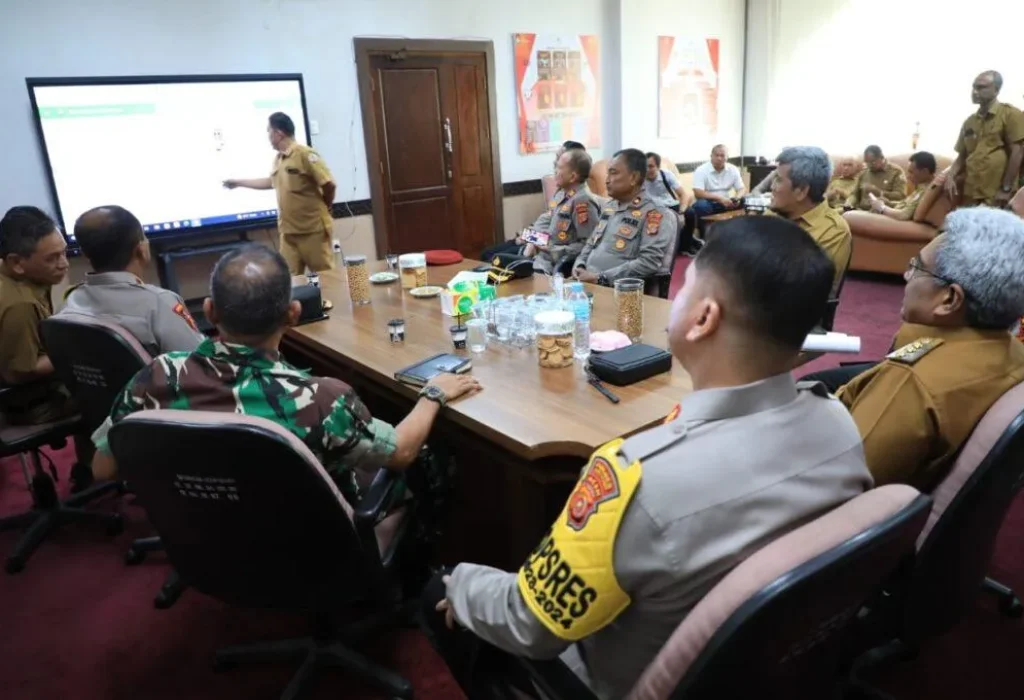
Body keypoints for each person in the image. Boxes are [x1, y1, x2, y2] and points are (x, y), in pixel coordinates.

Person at [422, 215, 872, 700]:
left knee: (439, 593)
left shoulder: (638, 479)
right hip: (768, 667)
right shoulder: (840, 425)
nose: (673, 299)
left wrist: (462, 583)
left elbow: (529, 625)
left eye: (683, 288)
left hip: (618, 678)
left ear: (704, 319)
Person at [89, 245, 482, 518]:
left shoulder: (154, 376)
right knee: (435, 455)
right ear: (294, 314)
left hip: (207, 539)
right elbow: (401, 453)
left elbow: (103, 469)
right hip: (312, 542)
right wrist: (433, 394)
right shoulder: (320, 399)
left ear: (209, 310)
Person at [835, 207, 1024, 490]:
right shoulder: (1014, 353)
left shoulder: (912, 383)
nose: (905, 275)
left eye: (917, 267)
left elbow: (837, 482)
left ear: (949, 299)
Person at [59, 205, 204, 356]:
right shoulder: (159, 303)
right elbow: (198, 364)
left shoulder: (70, 301)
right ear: (140, 250)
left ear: (85, 254)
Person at [223, 112, 337, 276]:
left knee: (326, 279)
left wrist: (328, 204)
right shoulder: (278, 159)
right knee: (288, 280)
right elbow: (271, 182)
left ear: (279, 133)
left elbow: (328, 184)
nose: (268, 135)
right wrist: (239, 183)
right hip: (289, 233)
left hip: (312, 230)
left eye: (269, 130)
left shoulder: (304, 154)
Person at [0, 206, 72, 424]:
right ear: (16, 263)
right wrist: (75, 353)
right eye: (52, 258)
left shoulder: (20, 278)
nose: (64, 264)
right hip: (24, 404)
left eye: (64, 253)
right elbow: (18, 373)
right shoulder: (20, 304)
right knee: (114, 396)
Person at [572, 149, 675, 286]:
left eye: (613, 173)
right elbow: (591, 243)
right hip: (586, 282)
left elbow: (648, 263)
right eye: (607, 173)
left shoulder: (655, 213)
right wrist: (579, 265)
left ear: (634, 177)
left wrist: (600, 278)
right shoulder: (610, 207)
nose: (607, 180)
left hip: (617, 290)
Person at [481, 141, 587, 263]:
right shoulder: (561, 193)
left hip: (544, 250)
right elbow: (547, 220)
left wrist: (532, 240)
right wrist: (527, 235)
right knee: (486, 254)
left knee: (494, 260)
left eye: (559, 160)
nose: (555, 163)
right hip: (535, 240)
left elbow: (564, 239)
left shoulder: (582, 201)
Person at [770, 146, 853, 297]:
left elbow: (802, 290)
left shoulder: (833, 231)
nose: (772, 187)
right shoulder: (771, 214)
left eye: (778, 180)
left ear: (801, 191)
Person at [945, 71, 1024, 208]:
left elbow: (1017, 152)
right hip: (970, 192)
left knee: (993, 228)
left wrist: (1005, 189)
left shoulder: (1010, 114)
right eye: (974, 87)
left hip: (995, 193)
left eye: (982, 87)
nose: (975, 92)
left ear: (996, 90)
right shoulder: (969, 122)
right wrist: (950, 176)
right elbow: (962, 155)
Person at [524, 149, 600, 274]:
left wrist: (553, 250)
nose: (555, 171)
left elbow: (588, 244)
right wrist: (530, 238)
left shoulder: (582, 202)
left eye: (559, 168)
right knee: (497, 262)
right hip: (539, 256)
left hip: (553, 265)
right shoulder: (563, 194)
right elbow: (549, 227)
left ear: (573, 176)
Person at [645, 152, 701, 256]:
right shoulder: (638, 179)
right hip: (652, 208)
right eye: (645, 167)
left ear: (657, 166)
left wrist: (682, 210)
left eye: (651, 166)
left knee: (690, 213)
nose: (647, 170)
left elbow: (683, 194)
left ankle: (687, 245)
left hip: (670, 204)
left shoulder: (666, 174)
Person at [867, 151, 937, 221]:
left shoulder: (929, 190)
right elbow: (906, 204)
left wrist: (881, 207)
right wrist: (889, 203)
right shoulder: (921, 187)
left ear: (924, 172)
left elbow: (904, 215)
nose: (908, 176)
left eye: (911, 172)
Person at [844, 145, 907, 210]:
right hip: (860, 210)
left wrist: (879, 192)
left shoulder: (896, 172)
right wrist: (849, 203)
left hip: (882, 211)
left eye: (872, 162)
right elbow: (854, 194)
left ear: (882, 158)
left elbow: (901, 196)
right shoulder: (864, 173)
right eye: (866, 162)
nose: (869, 165)